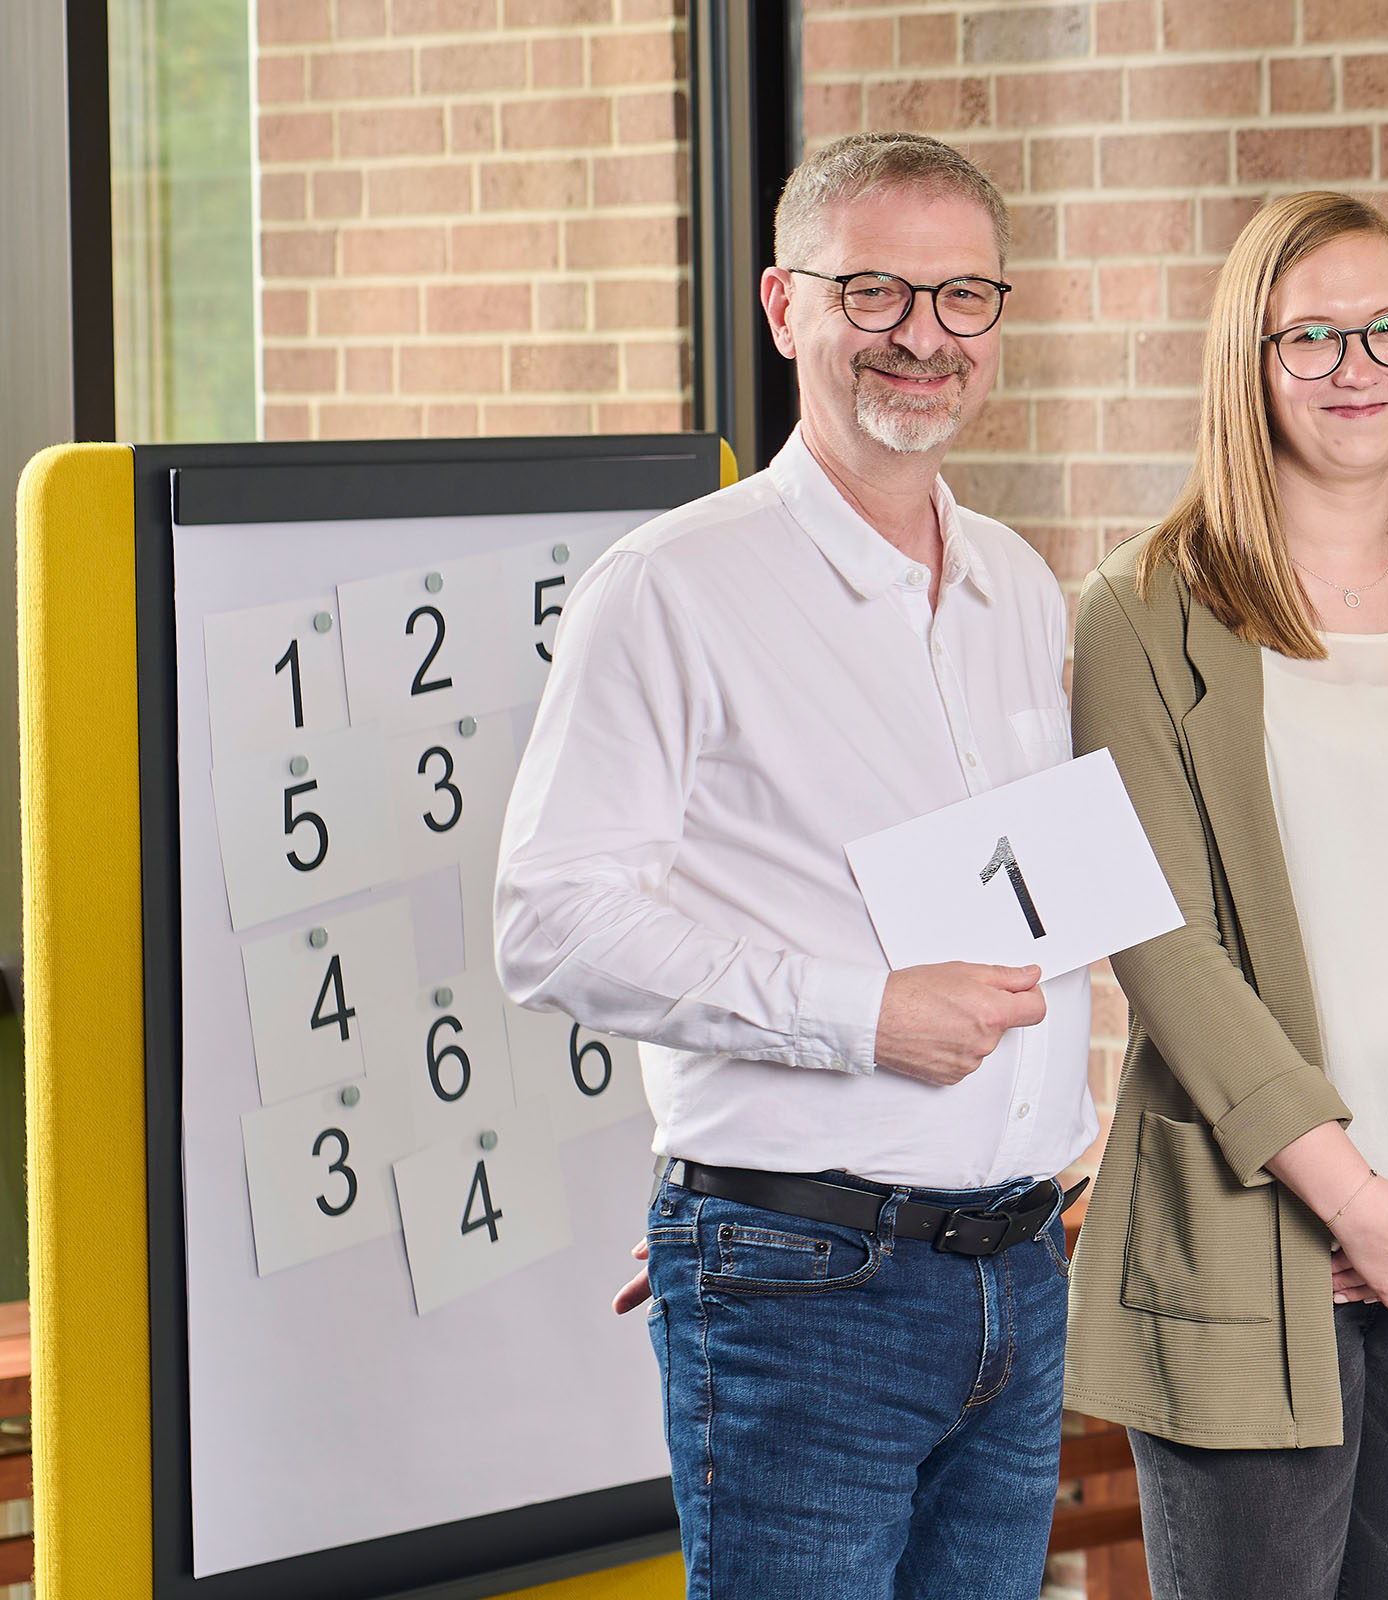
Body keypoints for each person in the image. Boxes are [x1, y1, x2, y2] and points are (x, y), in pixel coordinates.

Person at [498, 132, 1082, 1599]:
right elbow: (550, 919)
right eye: (875, 291)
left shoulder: (1019, 584)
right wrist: (851, 1023)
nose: (923, 339)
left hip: (1018, 1274)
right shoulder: (671, 588)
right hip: (807, 1279)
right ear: (783, 307)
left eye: (962, 299)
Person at [1057, 191, 1388, 1600]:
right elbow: (1155, 939)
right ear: (1248, 361)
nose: (1359, 364)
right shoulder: (1143, 611)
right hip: (1252, 1226)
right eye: (1314, 334)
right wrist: (1350, 1196)